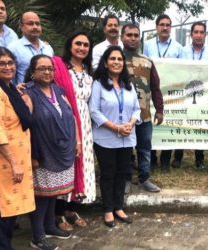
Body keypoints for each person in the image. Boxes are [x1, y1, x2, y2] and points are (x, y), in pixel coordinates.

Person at [0, 47, 34, 249]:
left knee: (10, 212)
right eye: (1, 64)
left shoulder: (10, 89)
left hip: (15, 160)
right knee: (0, 212)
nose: (7, 67)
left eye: (10, 63)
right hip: (1, 161)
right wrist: (14, 163)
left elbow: (21, 121)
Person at [24, 55, 76, 250]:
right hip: (42, 152)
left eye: (50, 68)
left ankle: (50, 226)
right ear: (33, 72)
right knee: (42, 195)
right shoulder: (28, 93)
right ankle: (38, 236)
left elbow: (70, 116)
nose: (47, 72)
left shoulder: (58, 90)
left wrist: (76, 141)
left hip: (62, 149)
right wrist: (32, 155)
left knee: (53, 194)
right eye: (42, 68)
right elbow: (26, 127)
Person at [89, 45, 141, 227]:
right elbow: (94, 111)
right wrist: (116, 128)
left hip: (127, 137)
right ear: (105, 62)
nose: (116, 62)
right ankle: (108, 209)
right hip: (105, 138)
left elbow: (137, 109)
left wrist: (130, 124)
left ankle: (119, 207)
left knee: (122, 173)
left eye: (119, 59)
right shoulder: (98, 84)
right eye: (112, 59)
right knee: (108, 173)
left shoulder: (129, 85)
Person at [52, 31, 95, 231]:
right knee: (66, 165)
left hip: (85, 124)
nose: (82, 48)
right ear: (70, 45)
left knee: (83, 164)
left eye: (86, 45)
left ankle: (71, 209)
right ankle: (58, 213)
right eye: (78, 43)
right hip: (66, 121)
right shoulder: (59, 67)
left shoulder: (89, 70)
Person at [121, 23, 163, 193]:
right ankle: (125, 179)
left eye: (135, 35)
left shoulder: (147, 62)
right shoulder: (115, 59)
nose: (132, 38)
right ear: (122, 37)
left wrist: (159, 110)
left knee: (144, 147)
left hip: (144, 114)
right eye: (129, 35)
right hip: (122, 116)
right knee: (124, 148)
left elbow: (155, 87)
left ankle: (144, 178)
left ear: (140, 38)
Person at [143, 14, 182, 172]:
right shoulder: (147, 45)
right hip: (152, 90)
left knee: (169, 122)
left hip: (172, 91)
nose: (165, 27)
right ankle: (152, 160)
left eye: (168, 25)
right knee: (152, 122)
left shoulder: (178, 47)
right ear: (156, 27)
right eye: (162, 24)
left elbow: (183, 70)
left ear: (170, 28)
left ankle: (166, 160)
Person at [180, 21, 208, 171]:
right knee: (182, 122)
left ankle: (199, 159)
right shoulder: (183, 51)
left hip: (204, 93)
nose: (199, 35)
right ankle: (177, 157)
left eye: (202, 32)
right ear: (191, 34)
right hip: (186, 91)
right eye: (196, 32)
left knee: (200, 124)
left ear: (205, 35)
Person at [7, 11, 54, 85]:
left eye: (37, 24)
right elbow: (8, 76)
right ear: (21, 27)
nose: (35, 27)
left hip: (48, 94)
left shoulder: (48, 48)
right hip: (24, 94)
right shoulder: (13, 48)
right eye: (30, 23)